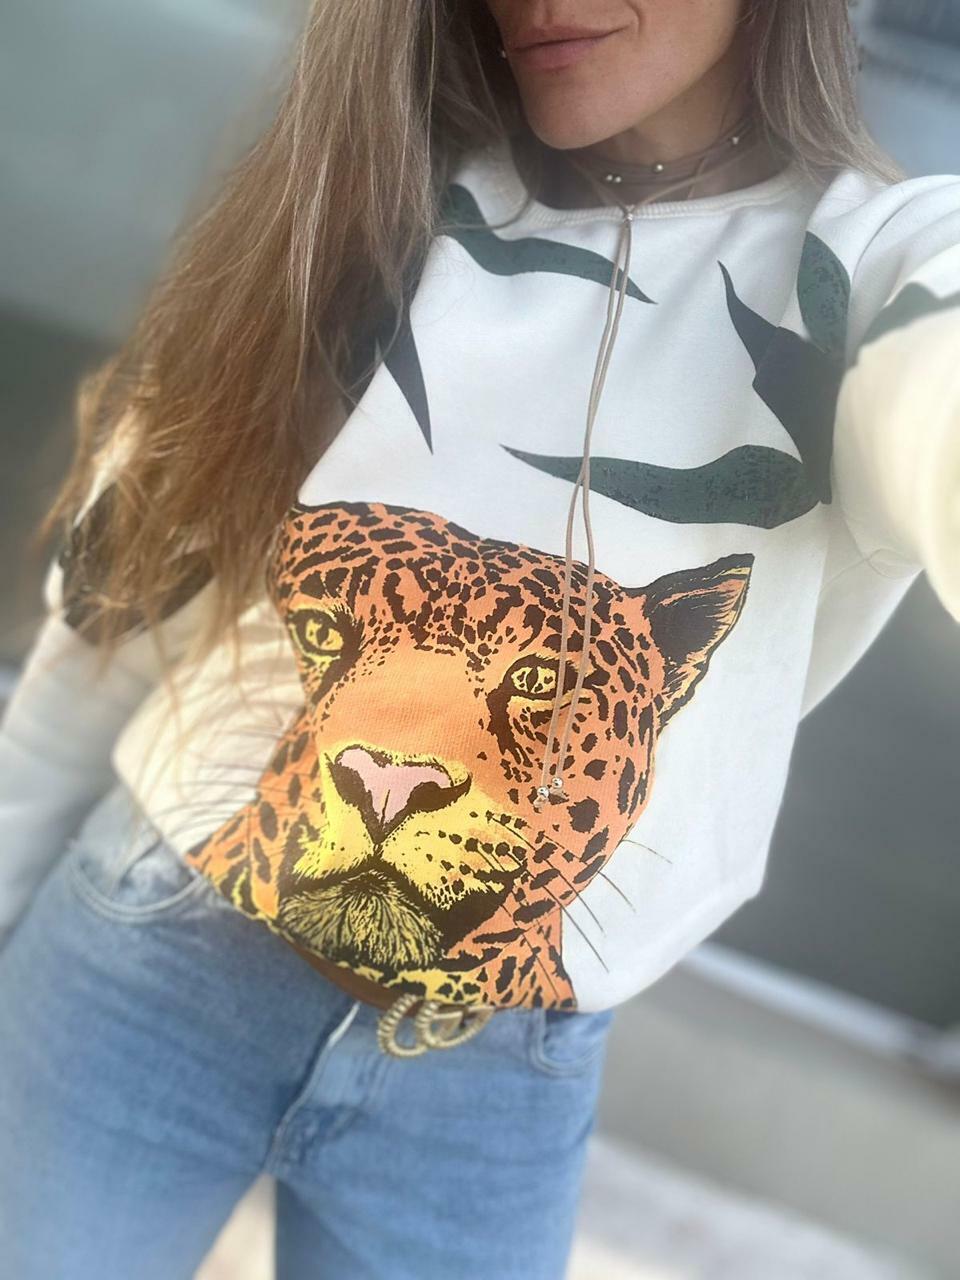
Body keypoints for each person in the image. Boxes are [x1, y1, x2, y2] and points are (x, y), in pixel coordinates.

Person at [1, 1, 958, 1276]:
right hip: (156, 944)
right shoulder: (360, 188)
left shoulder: (873, 266)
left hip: (498, 1073)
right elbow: (112, 615)